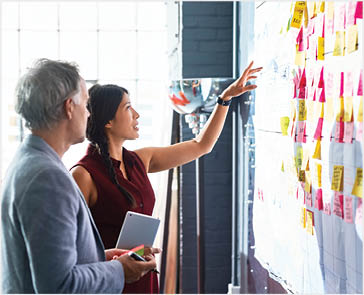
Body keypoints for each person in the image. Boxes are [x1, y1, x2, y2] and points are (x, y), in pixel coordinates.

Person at [71, 61, 262, 293]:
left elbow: (202, 145)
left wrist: (224, 99)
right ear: (108, 121)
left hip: (144, 276)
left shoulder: (140, 160)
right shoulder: (83, 175)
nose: (137, 115)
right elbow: (70, 249)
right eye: (128, 108)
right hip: (109, 283)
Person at [0, 58, 156, 293]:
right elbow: (59, 286)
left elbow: (48, 263)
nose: (89, 113)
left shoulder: (30, 161)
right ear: (69, 107)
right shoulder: (47, 179)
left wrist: (100, 258)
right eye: (86, 104)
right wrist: (119, 270)